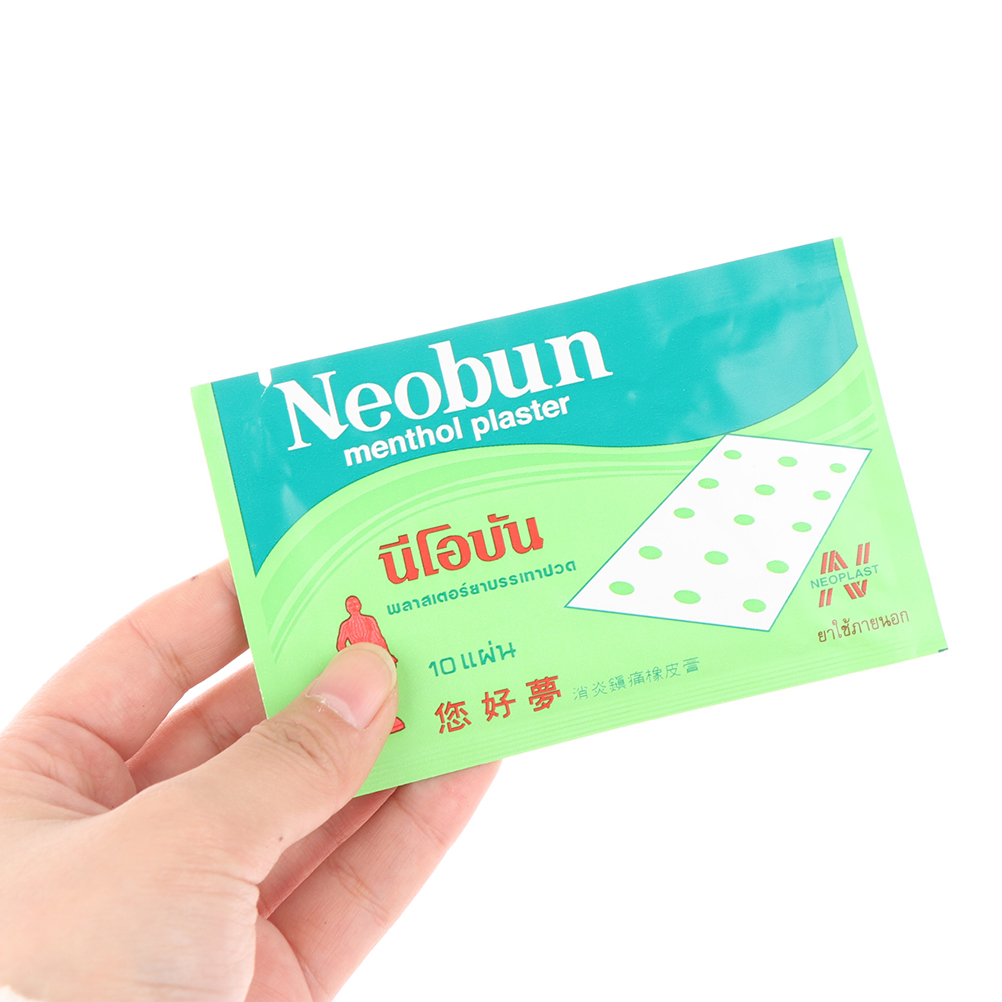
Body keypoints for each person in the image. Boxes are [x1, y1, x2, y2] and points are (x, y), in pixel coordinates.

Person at [0, 563, 499, 1002]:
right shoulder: (351, 626)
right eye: (349, 605)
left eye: (352, 604)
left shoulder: (363, 621)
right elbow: (349, 646)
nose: (351, 607)